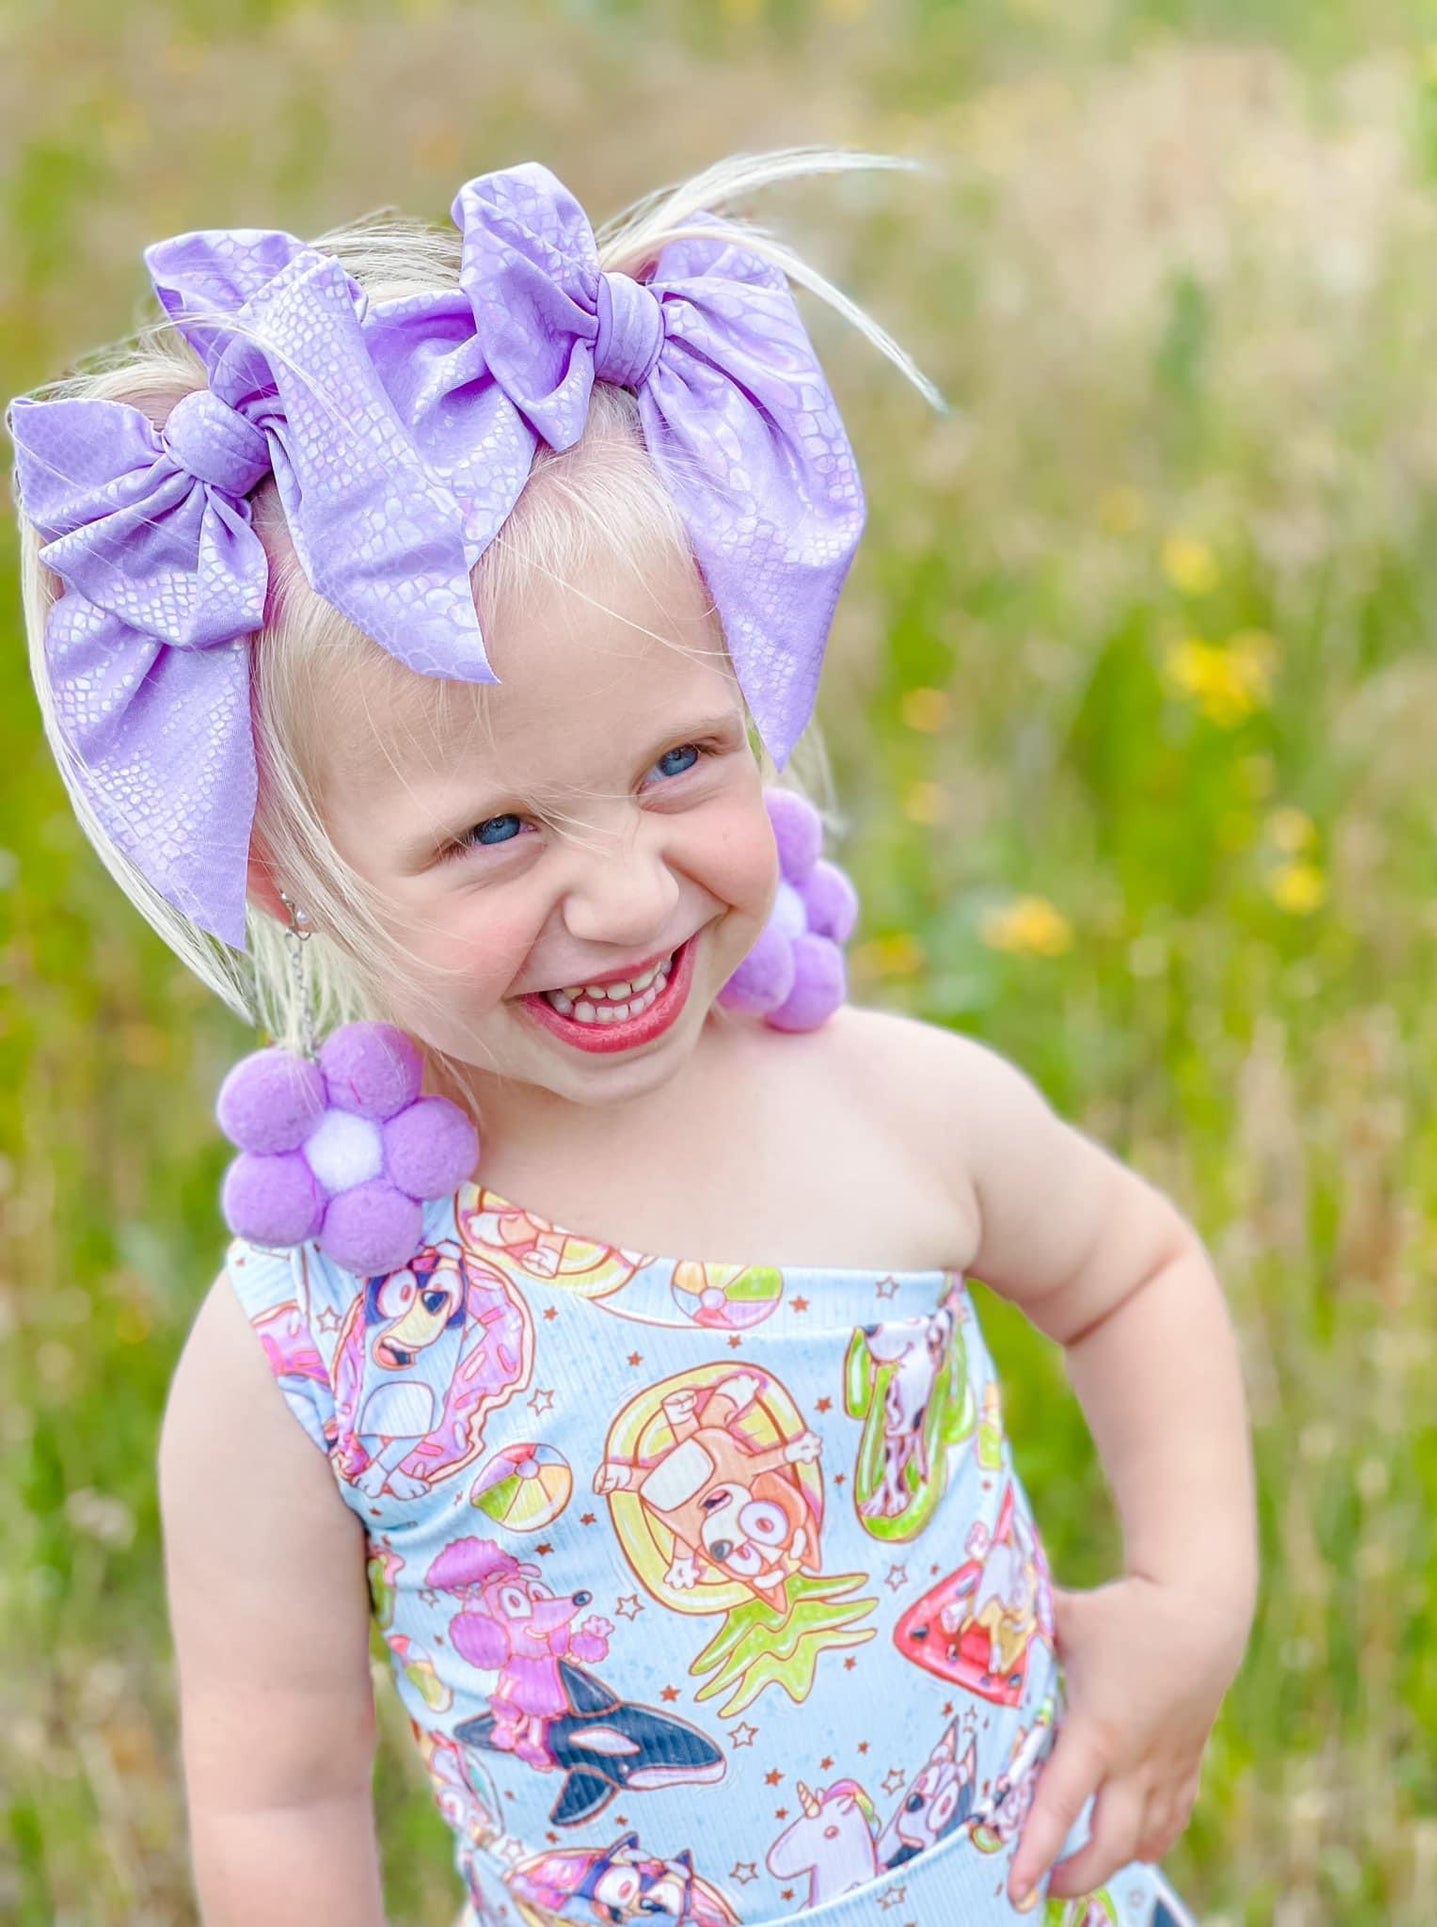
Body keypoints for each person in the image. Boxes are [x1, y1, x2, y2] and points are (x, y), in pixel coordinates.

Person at [6, 147, 1256, 1927]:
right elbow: (279, 1790)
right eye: (493, 833)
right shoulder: (312, 1341)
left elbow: (1128, 1271)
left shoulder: (893, 1108)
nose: (622, 894)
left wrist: (1187, 1609)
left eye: (681, 762)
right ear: (287, 876)